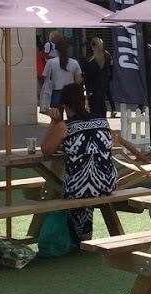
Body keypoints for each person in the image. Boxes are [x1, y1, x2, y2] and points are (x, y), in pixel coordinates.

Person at [40, 83, 116, 244]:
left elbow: (46, 150)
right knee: (87, 176)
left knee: (75, 182)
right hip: (107, 184)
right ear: (84, 101)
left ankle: (78, 237)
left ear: (64, 106)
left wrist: (54, 122)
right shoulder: (103, 122)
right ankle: (83, 235)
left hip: (78, 188)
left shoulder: (64, 126)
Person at [39, 34, 83, 109]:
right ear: (68, 49)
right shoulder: (74, 62)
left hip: (56, 92)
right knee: (71, 116)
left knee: (56, 117)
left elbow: (44, 77)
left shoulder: (51, 62)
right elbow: (79, 80)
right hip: (70, 92)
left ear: (56, 49)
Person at [81, 36, 111, 117]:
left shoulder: (90, 61)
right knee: (102, 107)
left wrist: (87, 90)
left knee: (94, 110)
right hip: (103, 86)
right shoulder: (106, 56)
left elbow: (87, 76)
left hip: (93, 89)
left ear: (92, 46)